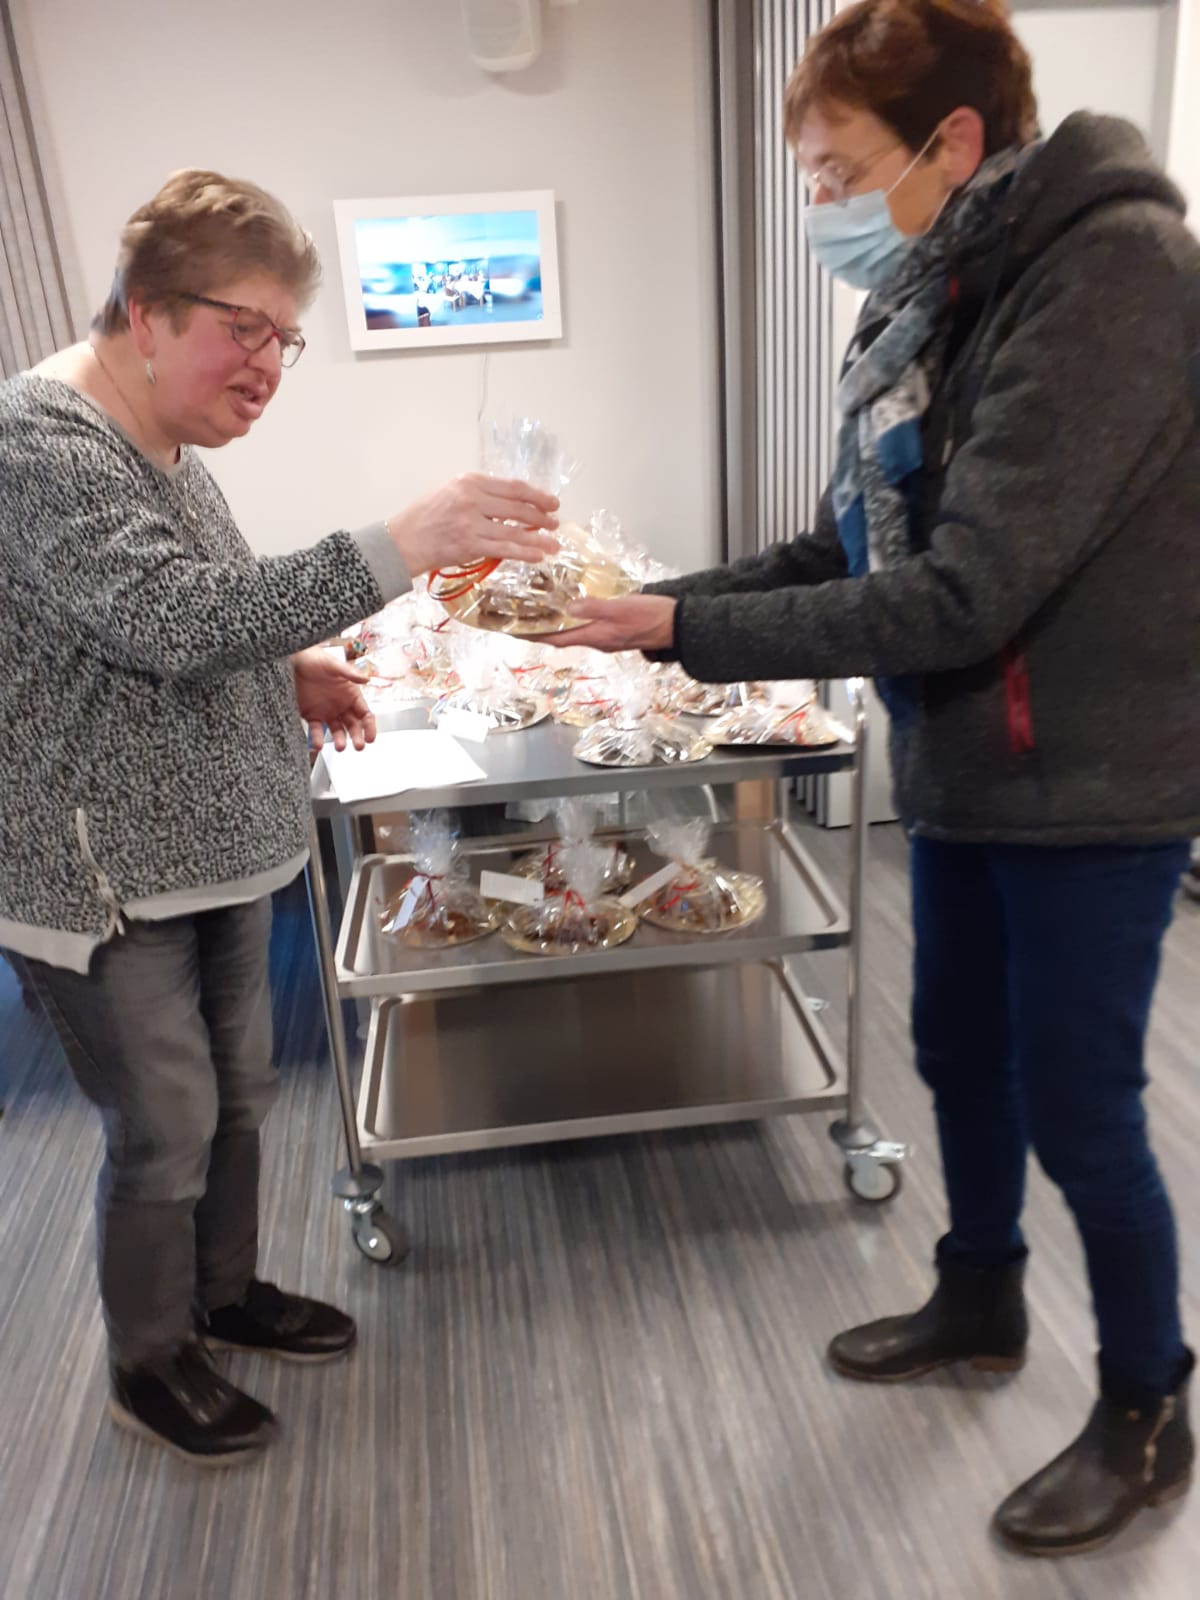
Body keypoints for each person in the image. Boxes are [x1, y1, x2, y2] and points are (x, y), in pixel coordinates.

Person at [549, 0, 1200, 1559]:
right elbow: (846, 547)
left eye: (839, 171)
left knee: (1083, 1106)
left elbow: (964, 593)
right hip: (974, 759)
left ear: (953, 141)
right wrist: (648, 609)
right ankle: (981, 1295)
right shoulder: (946, 292)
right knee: (957, 1051)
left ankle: (1148, 1407)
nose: (825, 206)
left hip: (1093, 782)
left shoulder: (1114, 276)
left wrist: (688, 634)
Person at [0, 169, 559, 1468]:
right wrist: (403, 542)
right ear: (147, 311)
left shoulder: (165, 442)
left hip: (221, 847)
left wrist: (288, 667)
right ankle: (150, 1359)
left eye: (283, 340)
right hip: (106, 872)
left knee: (240, 1094)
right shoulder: (37, 446)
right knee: (166, 1126)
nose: (267, 367)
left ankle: (226, 1293)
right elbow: (175, 620)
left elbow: (202, 606)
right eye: (242, 329)